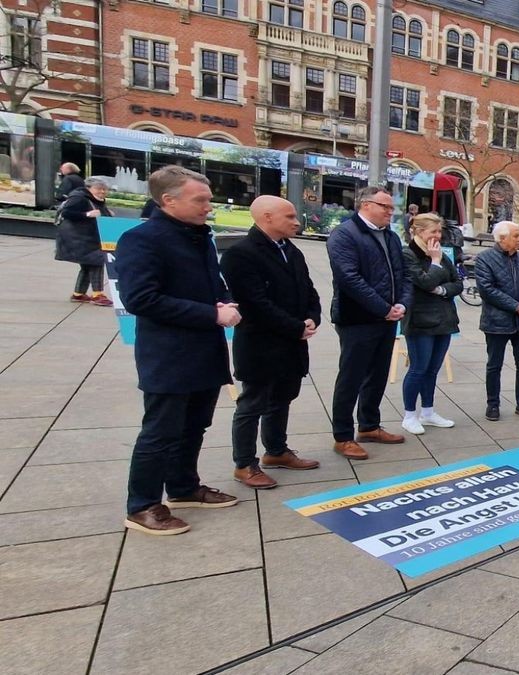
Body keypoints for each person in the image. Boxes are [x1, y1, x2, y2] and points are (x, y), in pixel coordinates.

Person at [116, 166, 242, 535]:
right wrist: (211, 313)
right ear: (168, 200)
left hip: (205, 350)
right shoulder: (142, 239)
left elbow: (213, 284)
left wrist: (226, 301)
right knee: (160, 431)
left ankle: (184, 487)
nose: (209, 206)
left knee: (194, 425)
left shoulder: (199, 236)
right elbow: (141, 298)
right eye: (200, 200)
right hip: (169, 355)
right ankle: (142, 505)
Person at [221, 196, 322, 490]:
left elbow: (309, 291)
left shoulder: (291, 251)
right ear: (267, 217)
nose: (296, 221)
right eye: (289, 216)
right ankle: (244, 464)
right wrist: (295, 327)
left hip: (291, 342)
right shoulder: (241, 254)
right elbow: (255, 303)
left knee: (283, 397)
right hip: (261, 344)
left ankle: (276, 450)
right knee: (253, 403)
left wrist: (312, 318)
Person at [327, 186, 413, 461]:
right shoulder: (345, 234)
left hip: (388, 318)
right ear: (365, 205)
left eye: (392, 208)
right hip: (358, 320)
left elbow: (404, 274)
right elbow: (349, 279)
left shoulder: (390, 236)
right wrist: (383, 308)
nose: (391, 212)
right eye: (385, 207)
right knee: (351, 377)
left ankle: (369, 425)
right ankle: (342, 436)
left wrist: (401, 304)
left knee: (377, 375)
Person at [399, 212, 462, 435]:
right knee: (418, 368)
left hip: (444, 319)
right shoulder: (408, 254)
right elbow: (423, 282)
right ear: (418, 231)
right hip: (420, 320)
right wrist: (435, 264)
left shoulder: (441, 253)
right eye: (433, 231)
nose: (438, 235)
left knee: (433, 369)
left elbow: (457, 282)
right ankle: (409, 415)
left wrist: (442, 289)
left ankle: (428, 412)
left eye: (439, 231)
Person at [476, 221, 519, 421]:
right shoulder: (485, 259)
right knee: (494, 365)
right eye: (516, 236)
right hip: (496, 322)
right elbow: (487, 289)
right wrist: (516, 306)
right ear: (502, 238)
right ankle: (492, 404)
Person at [55, 177, 114, 306]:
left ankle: (79, 294)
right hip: (80, 238)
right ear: (89, 188)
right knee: (97, 262)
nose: (102, 192)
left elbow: (98, 213)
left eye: (104, 189)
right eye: (99, 189)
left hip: (86, 237)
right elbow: (67, 213)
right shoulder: (79, 198)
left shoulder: (93, 199)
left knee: (87, 265)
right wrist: (87, 215)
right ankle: (98, 294)